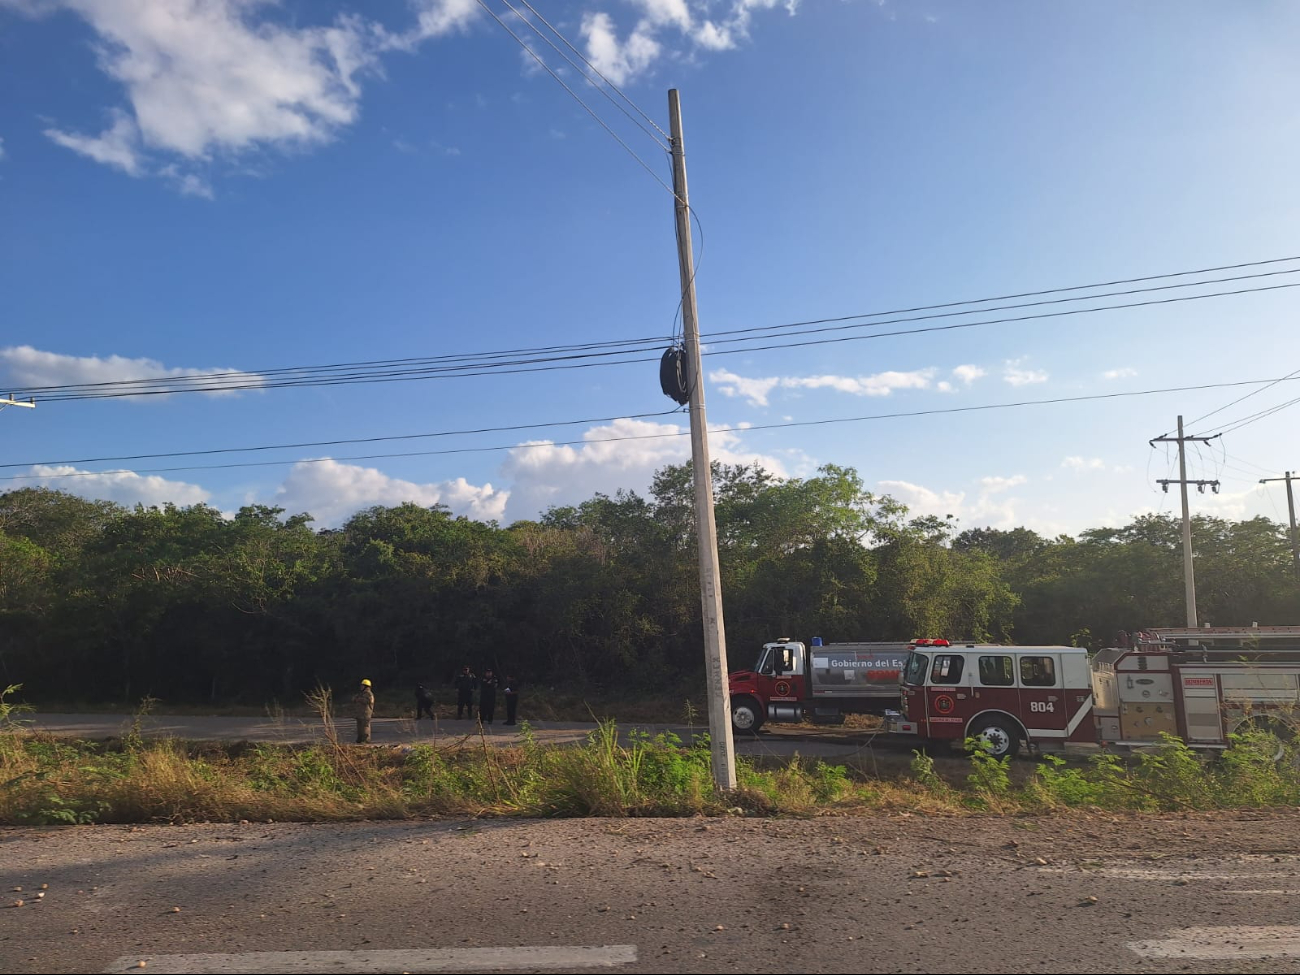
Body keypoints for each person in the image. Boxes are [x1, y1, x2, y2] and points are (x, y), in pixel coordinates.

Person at [352, 678, 375, 744]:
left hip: (366, 714)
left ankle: (366, 740)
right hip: (359, 714)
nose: (361, 687)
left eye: (362, 686)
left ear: (366, 687)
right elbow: (354, 699)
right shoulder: (361, 694)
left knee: (365, 728)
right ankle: (360, 739)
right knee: (359, 728)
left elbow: (369, 701)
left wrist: (359, 699)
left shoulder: (369, 694)